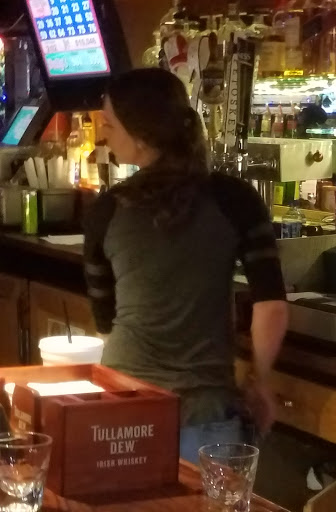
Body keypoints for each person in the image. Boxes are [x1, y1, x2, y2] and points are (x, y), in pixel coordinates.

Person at [83, 68, 288, 464]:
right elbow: (272, 306)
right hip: (206, 413)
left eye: (109, 124)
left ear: (141, 136)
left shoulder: (105, 211)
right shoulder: (236, 199)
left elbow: (105, 323)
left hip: (123, 406)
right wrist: (260, 381)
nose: (103, 135)